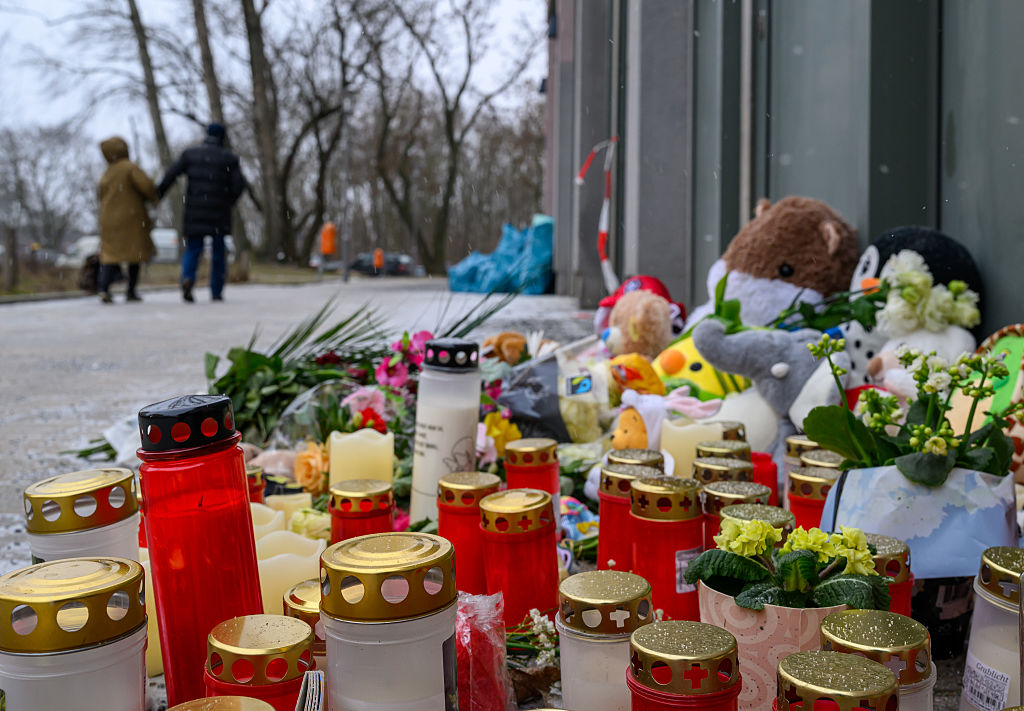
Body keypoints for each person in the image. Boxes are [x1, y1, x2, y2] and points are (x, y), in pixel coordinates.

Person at [157, 123, 245, 303]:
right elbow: (239, 185)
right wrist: (228, 201)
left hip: (194, 211)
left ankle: (188, 278)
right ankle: (216, 291)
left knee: (193, 249)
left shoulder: (191, 154)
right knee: (219, 252)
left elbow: (171, 174)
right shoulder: (228, 159)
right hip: (219, 212)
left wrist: (158, 194)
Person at [97, 137, 158, 304]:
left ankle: (103, 288)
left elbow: (100, 196)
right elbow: (147, 187)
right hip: (131, 218)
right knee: (135, 254)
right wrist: (154, 196)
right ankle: (131, 290)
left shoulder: (107, 173)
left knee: (110, 255)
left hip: (108, 220)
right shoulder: (129, 168)